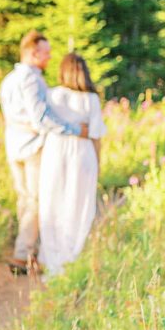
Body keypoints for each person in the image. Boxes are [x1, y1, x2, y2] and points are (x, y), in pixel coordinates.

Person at [0, 31, 89, 275]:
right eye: (45, 52)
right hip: (33, 147)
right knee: (37, 200)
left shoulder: (9, 79)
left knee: (25, 199)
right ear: (32, 52)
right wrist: (73, 130)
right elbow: (41, 118)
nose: (49, 57)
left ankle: (25, 249)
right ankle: (24, 255)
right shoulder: (31, 79)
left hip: (14, 146)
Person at [37, 53, 106, 276]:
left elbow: (44, 124)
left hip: (56, 151)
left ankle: (53, 258)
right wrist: (98, 162)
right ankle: (71, 256)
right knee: (78, 205)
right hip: (82, 152)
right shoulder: (91, 99)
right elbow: (95, 134)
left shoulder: (53, 94)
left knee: (52, 202)